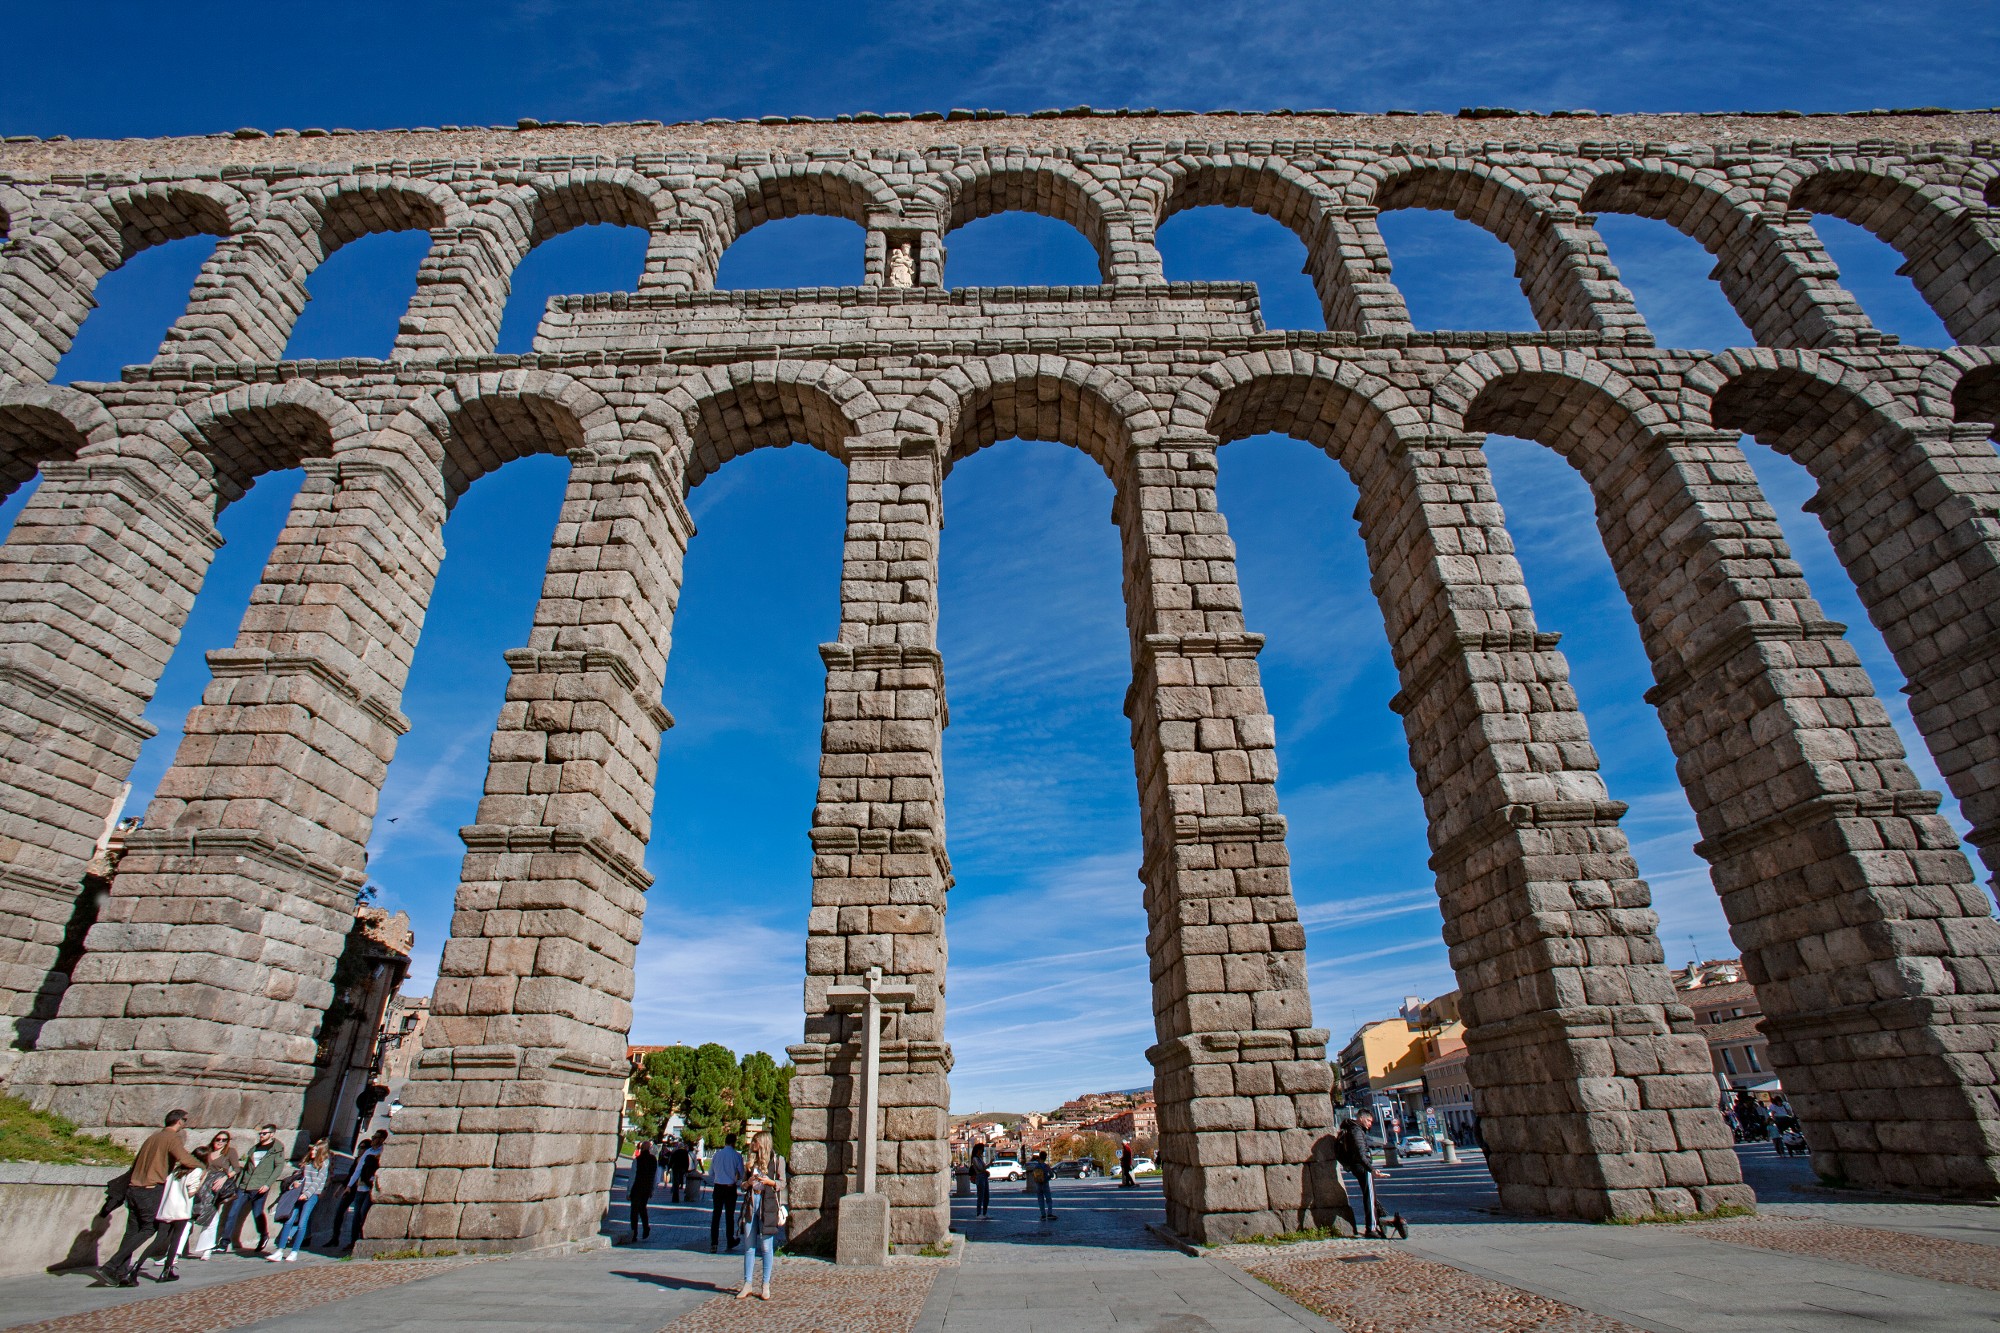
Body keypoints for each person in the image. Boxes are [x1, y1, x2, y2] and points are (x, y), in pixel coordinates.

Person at [96, 1108, 201, 1287]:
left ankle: (120, 1273)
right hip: (150, 1189)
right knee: (149, 1228)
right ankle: (111, 1266)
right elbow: (186, 1159)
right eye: (185, 1120)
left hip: (133, 1189)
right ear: (179, 1121)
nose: (185, 1124)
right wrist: (202, 1167)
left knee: (132, 1232)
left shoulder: (152, 1137)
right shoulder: (171, 1138)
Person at [736, 1130, 785, 1303]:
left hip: (768, 1205)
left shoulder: (777, 1160)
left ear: (762, 1143)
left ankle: (765, 1284)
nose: (752, 1145)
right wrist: (748, 1183)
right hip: (751, 1204)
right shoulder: (750, 1162)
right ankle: (747, 1284)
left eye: (755, 1142)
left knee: (766, 1247)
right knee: (749, 1246)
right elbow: (741, 1185)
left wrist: (769, 1182)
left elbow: (782, 1183)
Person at [226, 1123, 287, 1254]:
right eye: (260, 1133)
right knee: (232, 1212)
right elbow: (247, 1167)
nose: (261, 1135)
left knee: (257, 1213)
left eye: (264, 1133)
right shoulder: (255, 1148)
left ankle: (264, 1235)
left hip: (260, 1186)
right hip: (244, 1185)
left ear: (272, 1134)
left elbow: (278, 1168)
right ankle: (224, 1242)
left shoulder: (277, 1149)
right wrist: (238, 1183)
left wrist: (267, 1184)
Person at [322, 1129, 387, 1248]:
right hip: (357, 1187)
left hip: (369, 1187)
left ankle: (358, 1240)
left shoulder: (383, 1152)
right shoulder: (368, 1153)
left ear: (382, 1139)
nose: (360, 1150)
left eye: (375, 1138)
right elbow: (355, 1171)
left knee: (361, 1214)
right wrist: (347, 1186)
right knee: (347, 1213)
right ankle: (340, 1239)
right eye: (359, 1148)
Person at [269, 1139, 331, 1261]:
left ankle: (294, 1252)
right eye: (312, 1149)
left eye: (315, 1150)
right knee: (289, 1220)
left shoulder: (324, 1164)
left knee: (302, 1223)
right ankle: (280, 1250)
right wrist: (295, 1183)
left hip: (311, 1196)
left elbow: (318, 1182)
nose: (312, 1152)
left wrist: (307, 1194)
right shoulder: (308, 1161)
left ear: (321, 1152)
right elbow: (301, 1177)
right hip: (299, 1194)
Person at [1335, 1111, 1389, 1239]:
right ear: (1361, 1118)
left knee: (1369, 1195)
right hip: (1362, 1167)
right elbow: (1360, 1153)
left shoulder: (1353, 1129)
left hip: (1358, 1166)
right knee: (1369, 1196)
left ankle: (1376, 1221)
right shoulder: (1357, 1131)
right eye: (1368, 1121)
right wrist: (1371, 1169)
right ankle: (1371, 1228)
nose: (1370, 1124)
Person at [183, 1139, 238, 1262]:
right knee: (207, 1222)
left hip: (205, 1194)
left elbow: (236, 1169)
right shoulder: (201, 1170)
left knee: (188, 1223)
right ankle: (204, 1250)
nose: (220, 1142)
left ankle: (177, 1252)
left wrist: (225, 1177)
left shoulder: (186, 1169)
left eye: (224, 1140)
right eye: (218, 1139)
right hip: (205, 1195)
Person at [708, 1132, 744, 1254]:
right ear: (734, 1142)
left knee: (716, 1215)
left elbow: (710, 1173)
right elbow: (741, 1174)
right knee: (729, 1215)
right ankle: (730, 1240)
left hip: (718, 1187)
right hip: (730, 1187)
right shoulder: (737, 1156)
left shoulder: (716, 1155)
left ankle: (714, 1243)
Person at [627, 1140, 658, 1242]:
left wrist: (629, 1191)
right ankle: (645, 1227)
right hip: (647, 1188)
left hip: (637, 1187)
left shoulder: (637, 1160)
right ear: (649, 1148)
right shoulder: (653, 1160)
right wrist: (652, 1189)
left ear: (641, 1148)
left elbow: (632, 1176)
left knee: (634, 1211)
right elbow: (655, 1176)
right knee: (643, 1208)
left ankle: (634, 1232)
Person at [1026, 1152, 1056, 1221]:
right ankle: (1049, 1214)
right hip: (1045, 1184)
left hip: (1038, 1185)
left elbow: (1033, 1175)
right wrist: (1047, 1178)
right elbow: (1051, 1175)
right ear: (1045, 1157)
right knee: (1048, 1199)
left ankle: (1043, 1215)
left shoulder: (1036, 1166)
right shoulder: (1046, 1166)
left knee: (1040, 1200)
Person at [969, 1143, 991, 1219]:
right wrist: (989, 1164)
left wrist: (988, 1166)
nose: (982, 1151)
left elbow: (983, 1167)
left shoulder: (980, 1158)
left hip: (984, 1177)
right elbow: (980, 1168)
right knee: (981, 1196)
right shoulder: (975, 1159)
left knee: (986, 1196)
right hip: (980, 1177)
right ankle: (979, 1213)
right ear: (978, 1150)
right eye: (982, 1150)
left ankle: (984, 1213)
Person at [667, 1137, 691, 1204]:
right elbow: (687, 1162)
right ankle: (681, 1185)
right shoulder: (685, 1153)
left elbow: (671, 1161)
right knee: (680, 1179)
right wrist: (686, 1170)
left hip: (675, 1168)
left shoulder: (675, 1152)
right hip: (682, 1168)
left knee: (675, 1182)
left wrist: (668, 1168)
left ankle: (675, 1197)